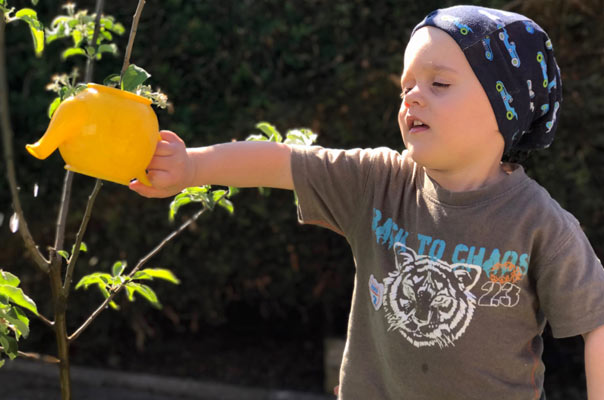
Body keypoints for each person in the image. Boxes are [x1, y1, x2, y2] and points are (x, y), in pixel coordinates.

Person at [130, 5, 604, 399]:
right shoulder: (379, 181)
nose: (413, 97)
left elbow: (597, 323)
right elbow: (281, 161)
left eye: (438, 84)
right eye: (406, 86)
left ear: (506, 109)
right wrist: (193, 167)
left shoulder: (541, 225)